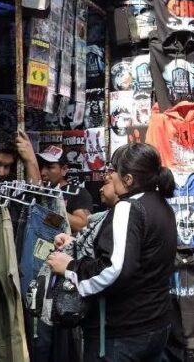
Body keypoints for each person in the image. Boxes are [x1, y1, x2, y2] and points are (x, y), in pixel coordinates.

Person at [47, 143, 177, 362]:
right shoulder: (161, 204)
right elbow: (140, 256)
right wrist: (77, 246)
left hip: (123, 332)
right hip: (156, 325)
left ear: (128, 179)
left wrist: (70, 266)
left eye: (113, 170)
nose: (108, 175)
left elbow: (114, 269)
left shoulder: (129, 208)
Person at [37, 145, 94, 234]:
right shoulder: (40, 191)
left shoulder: (77, 192)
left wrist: (52, 211)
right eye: (41, 167)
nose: (42, 173)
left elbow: (82, 225)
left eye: (49, 167)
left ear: (64, 169)